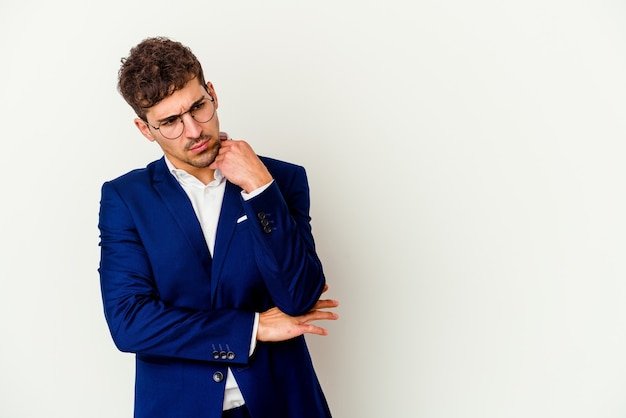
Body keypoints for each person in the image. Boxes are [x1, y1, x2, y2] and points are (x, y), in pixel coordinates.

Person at [98, 36, 339, 418]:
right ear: (146, 129)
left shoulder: (282, 180)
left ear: (212, 93)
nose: (193, 130)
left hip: (283, 403)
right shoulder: (127, 199)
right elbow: (130, 324)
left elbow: (300, 297)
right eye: (170, 122)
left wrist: (261, 189)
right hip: (179, 408)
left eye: (198, 107)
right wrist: (252, 327)